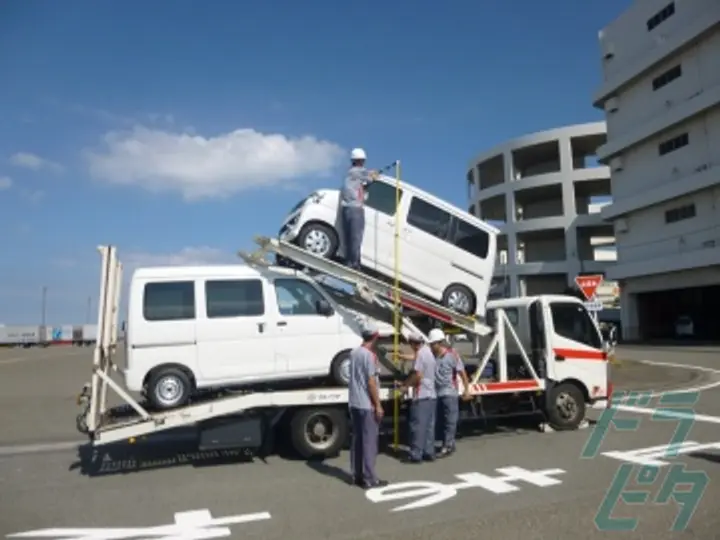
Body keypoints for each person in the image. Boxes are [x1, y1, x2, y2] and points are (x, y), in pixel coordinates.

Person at [347, 321, 388, 489]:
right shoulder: (370, 356)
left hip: (354, 402)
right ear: (375, 336)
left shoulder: (354, 353)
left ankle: (357, 475)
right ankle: (370, 478)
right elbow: (371, 382)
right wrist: (378, 405)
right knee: (369, 442)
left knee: (357, 440)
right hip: (366, 404)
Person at [398, 331, 437, 463]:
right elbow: (417, 360)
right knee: (428, 426)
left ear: (413, 343)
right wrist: (403, 356)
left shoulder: (420, 354)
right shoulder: (427, 352)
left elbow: (418, 375)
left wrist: (405, 386)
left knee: (418, 427)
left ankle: (416, 455)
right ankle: (429, 452)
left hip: (421, 395)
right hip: (431, 394)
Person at [431, 333, 471, 458]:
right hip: (437, 393)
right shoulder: (433, 355)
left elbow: (462, 372)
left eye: (433, 344)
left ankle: (447, 446)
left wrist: (466, 390)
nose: (431, 346)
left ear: (439, 343)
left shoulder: (452, 355)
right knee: (440, 420)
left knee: (450, 420)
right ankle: (449, 443)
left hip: (450, 392)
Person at [340, 148, 378, 270]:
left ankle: (348, 261)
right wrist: (374, 175)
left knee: (348, 236)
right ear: (361, 161)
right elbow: (371, 177)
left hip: (345, 208)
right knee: (356, 237)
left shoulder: (349, 173)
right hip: (356, 208)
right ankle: (354, 263)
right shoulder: (359, 172)